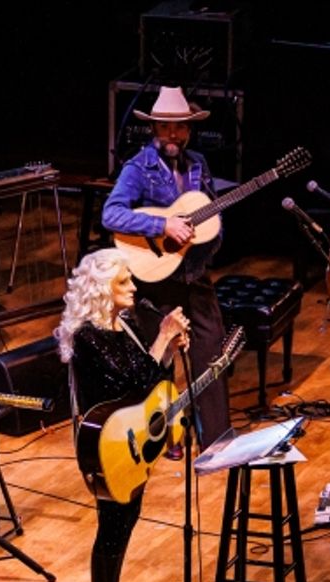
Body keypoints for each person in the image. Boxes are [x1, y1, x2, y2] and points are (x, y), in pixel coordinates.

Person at [57, 249, 189, 582]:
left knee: (122, 525)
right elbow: (131, 382)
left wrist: (167, 351)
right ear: (101, 289)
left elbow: (148, 384)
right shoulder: (88, 336)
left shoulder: (122, 325)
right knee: (111, 530)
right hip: (107, 447)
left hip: (130, 441)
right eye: (123, 282)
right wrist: (163, 337)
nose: (134, 287)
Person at [102, 86, 231, 450]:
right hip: (156, 280)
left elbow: (210, 210)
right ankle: (165, 436)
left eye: (179, 128)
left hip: (195, 274)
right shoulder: (137, 168)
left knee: (211, 352)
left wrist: (209, 238)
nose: (172, 135)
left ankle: (217, 439)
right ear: (154, 129)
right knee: (163, 358)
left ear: (189, 130)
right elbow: (111, 213)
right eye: (164, 128)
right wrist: (162, 226)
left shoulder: (198, 165)